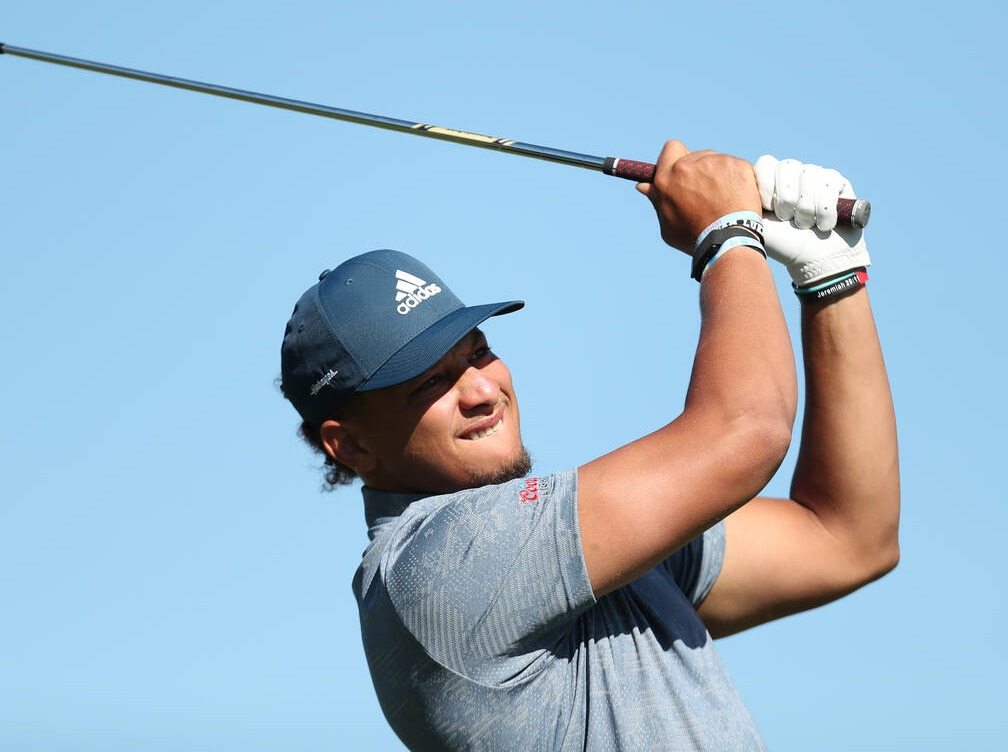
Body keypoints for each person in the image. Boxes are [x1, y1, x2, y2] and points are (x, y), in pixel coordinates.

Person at [279, 140, 899, 750]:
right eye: (431, 382)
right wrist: (728, 236)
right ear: (350, 445)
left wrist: (832, 282)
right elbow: (745, 431)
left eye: (478, 354)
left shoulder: (576, 550)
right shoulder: (428, 568)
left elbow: (847, 538)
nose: (482, 390)